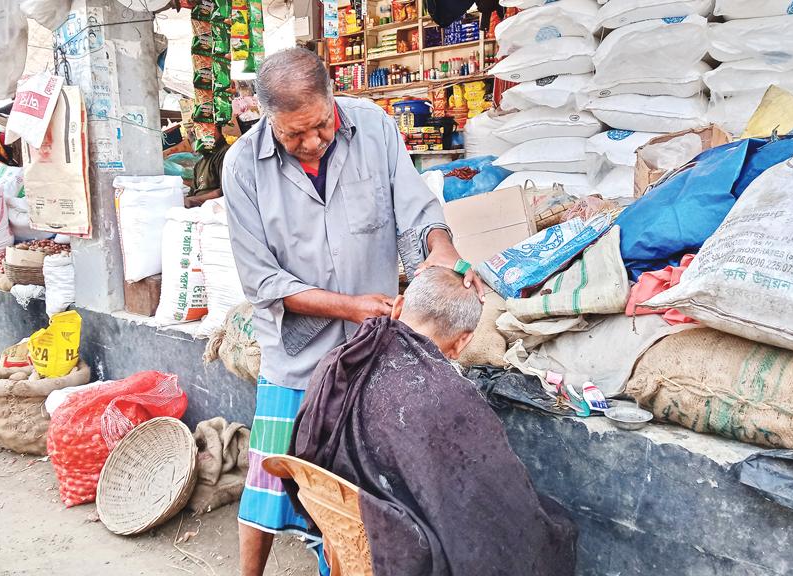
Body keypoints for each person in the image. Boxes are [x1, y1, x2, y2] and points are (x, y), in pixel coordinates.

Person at [222, 47, 483, 576]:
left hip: (370, 351)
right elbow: (264, 281)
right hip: (296, 352)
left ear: (331, 95)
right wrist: (351, 306)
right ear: (263, 115)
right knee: (269, 479)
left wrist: (444, 254)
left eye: (320, 125)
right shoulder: (242, 167)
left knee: (351, 489)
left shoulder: (376, 129)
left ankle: (337, 566)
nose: (312, 141)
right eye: (293, 134)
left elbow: (416, 213)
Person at [290, 267, 578, 576]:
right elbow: (491, 506)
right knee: (549, 527)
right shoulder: (445, 396)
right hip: (404, 547)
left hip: (354, 529)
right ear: (462, 341)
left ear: (398, 306)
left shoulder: (338, 363)